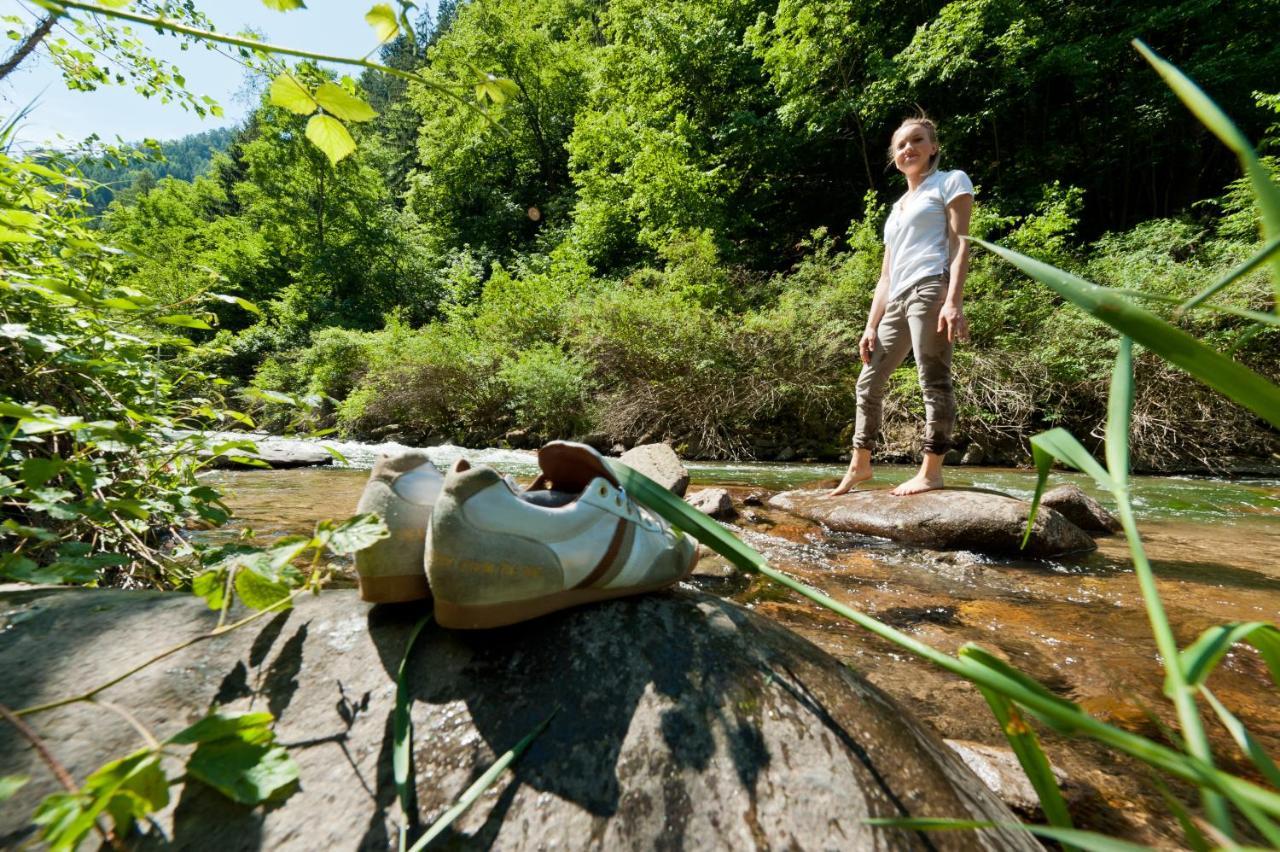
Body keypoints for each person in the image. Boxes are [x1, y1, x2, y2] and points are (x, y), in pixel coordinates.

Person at [829, 116, 973, 497]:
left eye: (917, 141)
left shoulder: (950, 181)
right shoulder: (896, 208)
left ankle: (932, 471)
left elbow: (961, 244)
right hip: (896, 298)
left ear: (933, 148)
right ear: (894, 157)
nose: (908, 148)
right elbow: (886, 275)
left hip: (930, 288)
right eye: (901, 145)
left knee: (932, 378)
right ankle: (860, 466)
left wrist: (953, 300)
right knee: (868, 382)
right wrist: (870, 326)